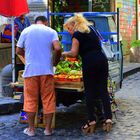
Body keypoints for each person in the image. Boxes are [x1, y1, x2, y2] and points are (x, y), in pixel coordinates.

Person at [62, 14, 112, 134]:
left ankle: (91, 121)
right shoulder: (92, 29)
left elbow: (74, 53)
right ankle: (108, 119)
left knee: (89, 92)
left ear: (73, 25)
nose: (69, 32)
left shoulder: (77, 34)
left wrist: (63, 54)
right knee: (103, 90)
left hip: (89, 62)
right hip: (101, 59)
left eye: (68, 28)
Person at [16, 16, 62, 137]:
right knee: (48, 99)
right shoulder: (51, 31)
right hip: (47, 71)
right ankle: (48, 130)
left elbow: (18, 51)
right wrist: (55, 62)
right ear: (45, 22)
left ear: (35, 22)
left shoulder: (26, 30)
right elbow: (57, 48)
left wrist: (28, 59)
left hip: (31, 71)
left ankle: (31, 130)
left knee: (30, 100)